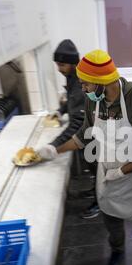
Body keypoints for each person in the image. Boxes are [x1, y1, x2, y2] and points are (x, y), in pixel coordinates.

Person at [36, 49, 132, 265]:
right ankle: (117, 254)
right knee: (113, 224)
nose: (83, 88)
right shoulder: (93, 100)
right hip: (108, 177)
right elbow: (85, 135)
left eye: (86, 83)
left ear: (102, 81)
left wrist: (122, 171)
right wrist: (54, 149)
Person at [50, 39, 101, 219]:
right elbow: (72, 101)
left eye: (62, 64)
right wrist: (61, 110)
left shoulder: (82, 83)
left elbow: (78, 123)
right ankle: (95, 190)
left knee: (99, 170)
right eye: (57, 64)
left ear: (73, 63)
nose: (59, 68)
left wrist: (54, 145)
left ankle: (100, 203)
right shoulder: (73, 77)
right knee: (93, 168)